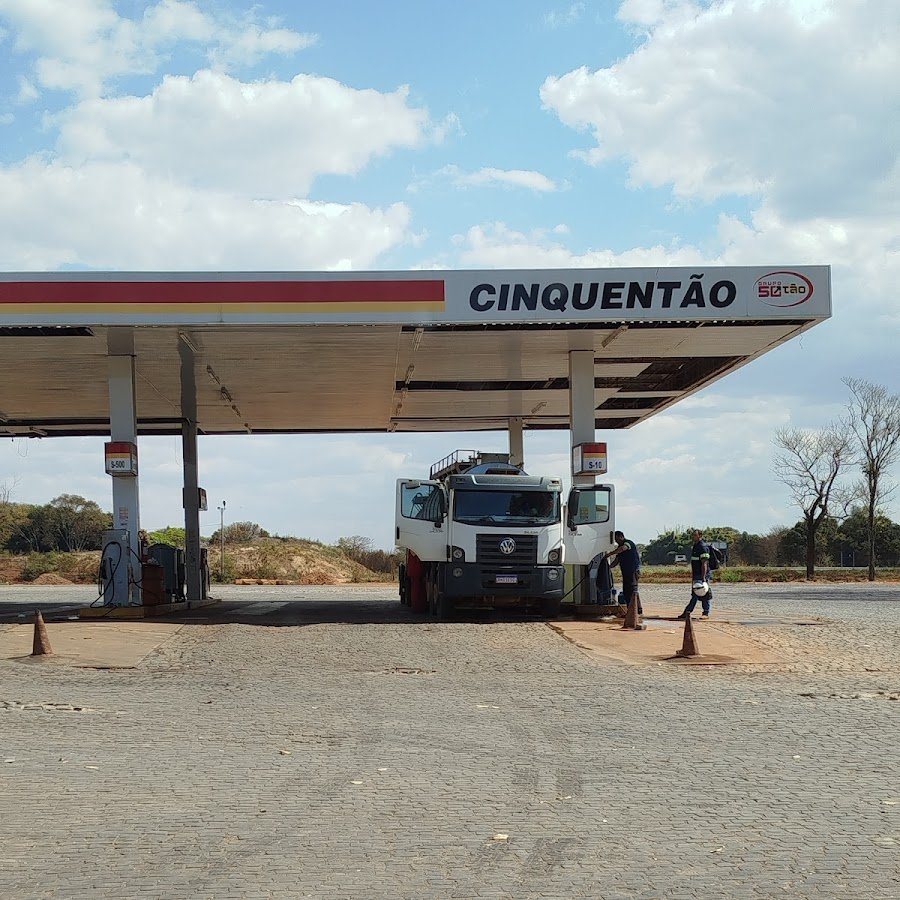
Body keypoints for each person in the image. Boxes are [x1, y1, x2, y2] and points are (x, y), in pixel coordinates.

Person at [604, 530, 642, 614]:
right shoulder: (619, 548)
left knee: (632, 590)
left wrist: (610, 554)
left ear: (621, 537)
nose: (616, 541)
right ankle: (631, 611)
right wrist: (607, 568)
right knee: (626, 591)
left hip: (633, 571)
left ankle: (636, 611)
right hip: (626, 573)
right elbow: (616, 561)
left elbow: (623, 549)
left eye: (617, 539)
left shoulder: (628, 543)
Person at [678, 528, 712, 619]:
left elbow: (704, 563)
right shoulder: (695, 546)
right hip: (696, 575)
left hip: (702, 575)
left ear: (700, 536)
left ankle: (704, 613)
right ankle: (688, 612)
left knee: (703, 593)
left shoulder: (703, 547)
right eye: (692, 535)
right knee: (695, 594)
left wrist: (703, 578)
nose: (693, 537)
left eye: (695, 535)